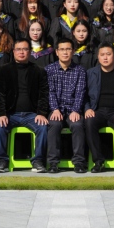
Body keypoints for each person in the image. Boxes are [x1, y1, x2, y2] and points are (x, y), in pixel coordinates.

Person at [0, 39, 50, 173]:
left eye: (25, 49)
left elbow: (44, 94)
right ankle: (2, 161)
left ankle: (38, 161)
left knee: (43, 127)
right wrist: (1, 114)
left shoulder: (38, 70)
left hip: (32, 114)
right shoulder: (5, 70)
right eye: (18, 49)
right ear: (13, 52)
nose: (21, 52)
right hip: (10, 114)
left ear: (30, 52)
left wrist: (41, 113)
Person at [84, 43, 114, 173]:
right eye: (102, 55)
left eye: (108, 54)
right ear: (98, 57)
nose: (105, 57)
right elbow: (84, 95)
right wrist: (87, 108)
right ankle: (98, 162)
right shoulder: (90, 73)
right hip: (97, 111)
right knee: (89, 122)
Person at [45, 38, 88, 173]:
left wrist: (76, 110)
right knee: (54, 124)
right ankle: (53, 163)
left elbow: (80, 92)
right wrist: (55, 109)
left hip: (72, 109)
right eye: (62, 49)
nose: (65, 52)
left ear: (73, 51)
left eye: (68, 49)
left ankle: (79, 162)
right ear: (57, 52)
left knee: (77, 125)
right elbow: (50, 91)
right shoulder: (49, 70)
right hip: (56, 109)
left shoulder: (80, 70)